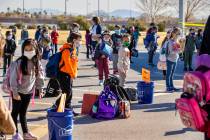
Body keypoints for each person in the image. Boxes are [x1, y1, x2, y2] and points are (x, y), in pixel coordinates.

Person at [11, 39, 44, 140]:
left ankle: (26, 134)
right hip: (18, 92)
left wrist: (40, 89)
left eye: (31, 49)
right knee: (15, 113)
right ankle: (15, 134)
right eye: (26, 49)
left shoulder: (36, 62)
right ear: (23, 49)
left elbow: (39, 76)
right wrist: (15, 93)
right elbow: (13, 79)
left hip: (29, 92)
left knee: (23, 113)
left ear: (35, 49)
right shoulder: (18, 62)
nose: (29, 51)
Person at [54, 32, 81, 116]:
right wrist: (73, 74)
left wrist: (75, 73)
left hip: (69, 74)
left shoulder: (73, 49)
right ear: (73, 40)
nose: (80, 42)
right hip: (63, 74)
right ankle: (57, 104)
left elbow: (75, 62)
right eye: (78, 40)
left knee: (70, 92)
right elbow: (68, 64)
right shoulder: (66, 50)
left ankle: (68, 109)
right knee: (67, 92)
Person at [165, 27, 181, 92]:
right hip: (170, 59)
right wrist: (178, 51)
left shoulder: (176, 41)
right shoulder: (170, 41)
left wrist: (180, 50)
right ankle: (168, 87)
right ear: (174, 33)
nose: (179, 35)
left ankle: (171, 86)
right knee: (168, 74)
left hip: (175, 59)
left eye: (179, 34)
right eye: (178, 33)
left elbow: (178, 50)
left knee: (172, 75)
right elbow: (171, 51)